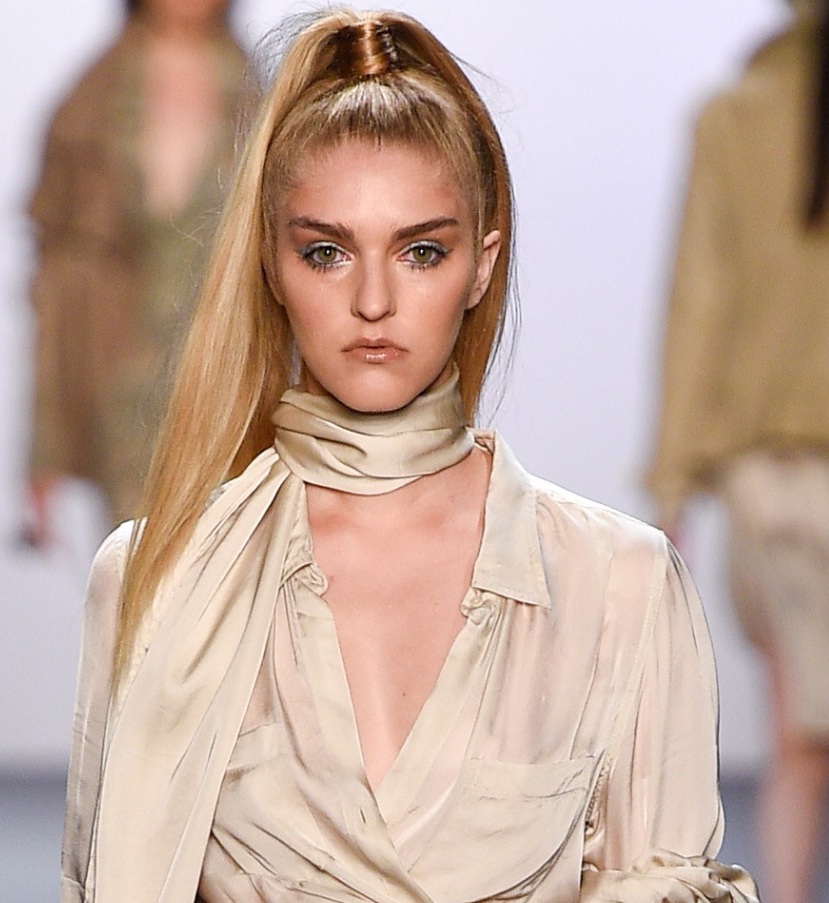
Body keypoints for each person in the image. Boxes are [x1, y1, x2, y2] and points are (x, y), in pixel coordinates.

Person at [62, 8, 759, 903]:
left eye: (421, 251)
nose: (373, 300)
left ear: (481, 264)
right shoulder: (153, 578)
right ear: (271, 266)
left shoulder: (620, 584)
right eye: (326, 251)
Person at [648, 2, 829, 901]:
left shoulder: (733, 117)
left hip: (776, 476)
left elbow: (700, 302)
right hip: (782, 475)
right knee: (805, 720)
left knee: (801, 724)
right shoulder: (733, 117)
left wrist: (672, 479)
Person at [27, 0, 247, 538]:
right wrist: (45, 449)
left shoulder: (266, 101)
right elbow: (55, 287)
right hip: (116, 395)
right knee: (131, 578)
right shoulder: (86, 108)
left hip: (228, 392)